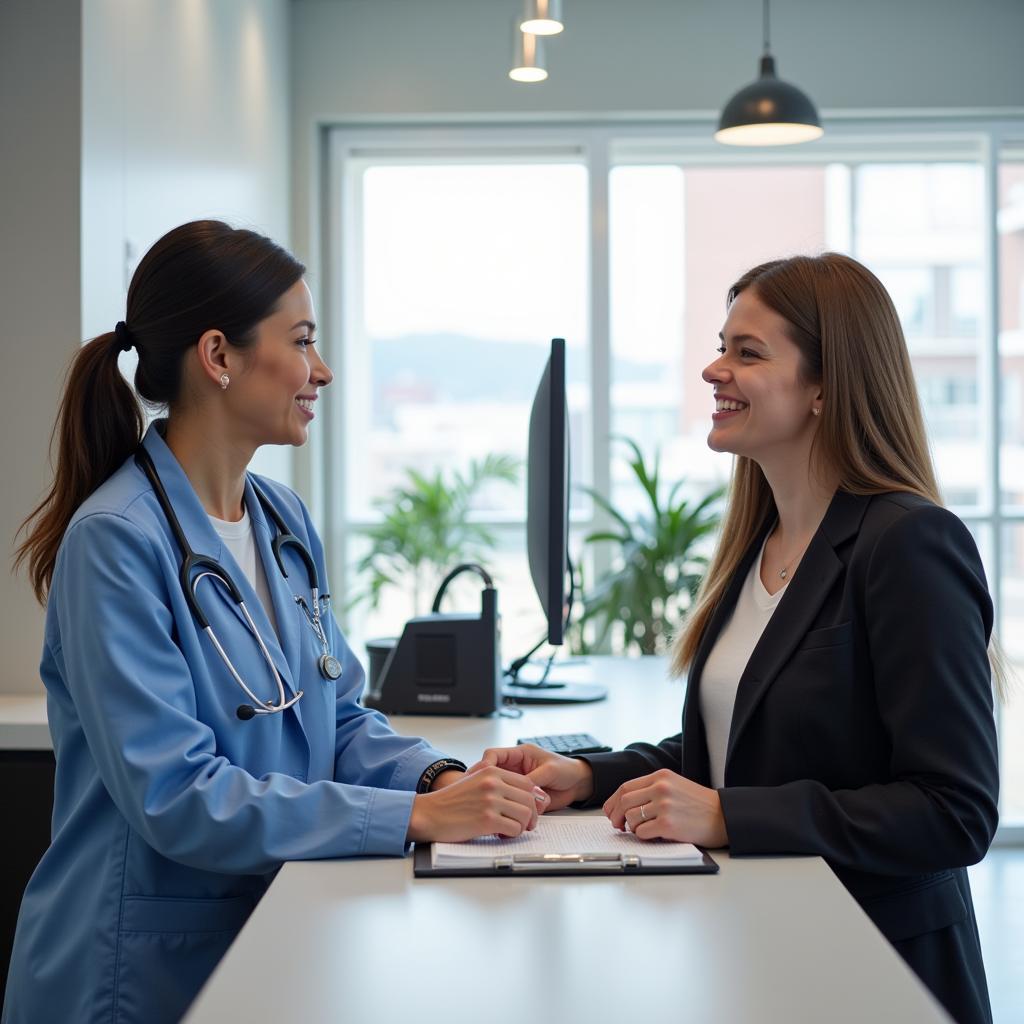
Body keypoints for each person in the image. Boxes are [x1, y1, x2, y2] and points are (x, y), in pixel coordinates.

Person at [4, 220, 549, 1024]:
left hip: (268, 930)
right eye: (301, 341)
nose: (320, 371)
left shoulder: (280, 519)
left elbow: (337, 719)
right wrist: (415, 818)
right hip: (136, 970)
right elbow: (176, 795)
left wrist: (439, 779)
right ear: (218, 356)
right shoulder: (115, 543)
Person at [475, 253, 1001, 1024]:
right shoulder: (763, 544)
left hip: (874, 966)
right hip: (764, 946)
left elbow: (954, 811)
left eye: (747, 352)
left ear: (826, 386)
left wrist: (728, 818)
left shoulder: (909, 544)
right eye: (723, 345)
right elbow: (741, 751)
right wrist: (585, 777)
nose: (714, 369)